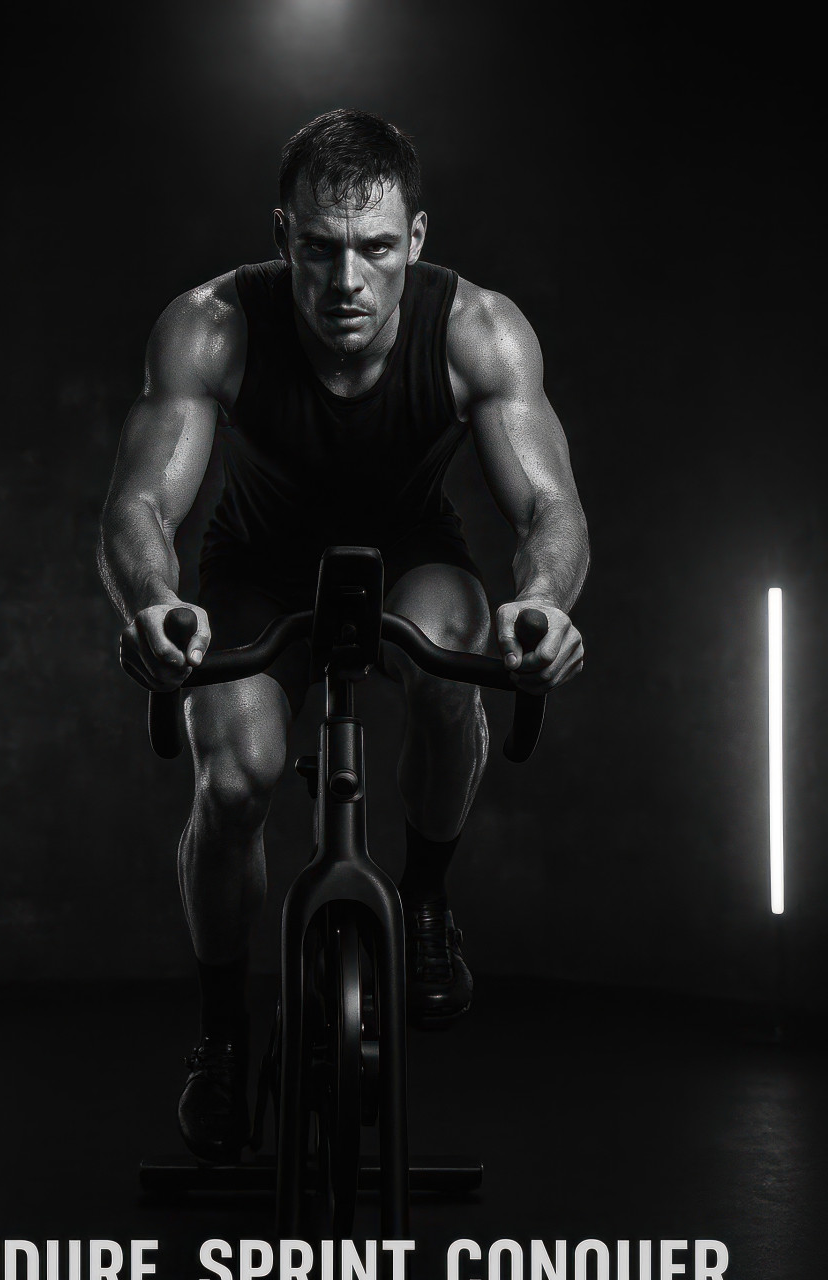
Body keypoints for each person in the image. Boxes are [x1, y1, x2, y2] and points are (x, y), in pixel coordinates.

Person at [98, 109, 589, 1163]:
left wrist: (541, 604)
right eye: (319, 249)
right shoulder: (213, 326)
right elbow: (141, 505)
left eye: (374, 248)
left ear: (416, 236)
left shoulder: (479, 330)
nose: (347, 282)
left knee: (453, 663)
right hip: (254, 576)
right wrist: (150, 603)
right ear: (283, 237)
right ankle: (223, 1041)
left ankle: (422, 903)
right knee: (235, 781)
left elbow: (550, 508)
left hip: (411, 555)